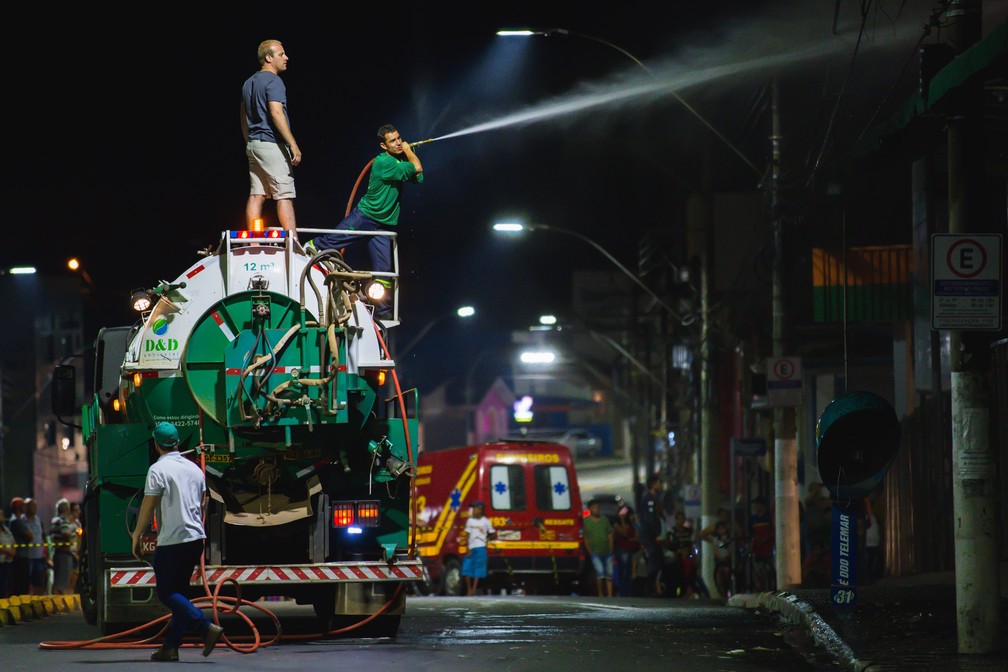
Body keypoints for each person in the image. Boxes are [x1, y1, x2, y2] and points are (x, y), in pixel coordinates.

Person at [131, 422, 224, 661]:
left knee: (166, 593)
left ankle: (205, 627)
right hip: (195, 539)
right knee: (180, 593)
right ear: (177, 442)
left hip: (173, 540)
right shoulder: (194, 469)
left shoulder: (158, 470)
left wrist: (137, 534)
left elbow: (148, 504)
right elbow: (203, 504)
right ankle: (170, 647)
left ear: (155, 444)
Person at [305, 124, 424, 303]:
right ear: (384, 146)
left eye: (399, 138)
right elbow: (417, 168)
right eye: (393, 141)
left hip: (384, 224)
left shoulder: (397, 162)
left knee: (384, 275)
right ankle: (305, 256)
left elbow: (418, 178)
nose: (399, 143)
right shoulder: (385, 162)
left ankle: (381, 313)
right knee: (328, 243)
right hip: (366, 216)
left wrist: (406, 155)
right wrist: (408, 152)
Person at [241, 39, 301, 238]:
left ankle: (253, 242)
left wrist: (248, 141)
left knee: (257, 194)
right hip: (271, 144)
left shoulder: (248, 82)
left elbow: (243, 116)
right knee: (284, 194)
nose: (286, 58)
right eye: (281, 54)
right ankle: (294, 244)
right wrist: (293, 144)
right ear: (269, 57)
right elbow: (276, 113)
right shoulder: (274, 81)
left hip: (254, 144)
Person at [459, 500, 496, 596]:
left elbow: (492, 533)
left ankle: (474, 589)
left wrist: (488, 538)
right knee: (466, 569)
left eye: (475, 508)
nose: (473, 510)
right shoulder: (470, 521)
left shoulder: (486, 521)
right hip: (471, 548)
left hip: (481, 547)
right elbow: (467, 534)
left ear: (480, 510)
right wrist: (467, 548)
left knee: (478, 570)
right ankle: (469, 588)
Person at [637, 474, 665, 597]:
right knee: (654, 561)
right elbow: (649, 520)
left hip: (652, 536)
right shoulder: (649, 499)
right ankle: (648, 589)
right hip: (650, 536)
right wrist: (655, 535)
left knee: (658, 560)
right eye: (659, 482)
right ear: (653, 484)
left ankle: (652, 587)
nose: (661, 485)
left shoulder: (654, 498)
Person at [583, 498, 615, 597]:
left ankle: (610, 595)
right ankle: (600, 593)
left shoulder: (604, 520)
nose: (597, 509)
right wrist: (590, 551)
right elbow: (585, 538)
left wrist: (611, 548)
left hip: (607, 551)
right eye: (594, 507)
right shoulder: (586, 522)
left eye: (598, 507)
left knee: (609, 574)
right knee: (600, 573)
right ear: (590, 509)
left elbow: (610, 534)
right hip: (595, 552)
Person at [19, 498, 49, 595]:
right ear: (26, 507)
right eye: (32, 506)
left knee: (39, 582)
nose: (35, 508)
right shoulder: (22, 520)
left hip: (38, 557)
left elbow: (43, 536)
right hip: (27, 557)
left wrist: (46, 553)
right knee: (25, 583)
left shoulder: (38, 520)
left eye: (35, 506)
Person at [50, 498, 77, 595]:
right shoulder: (63, 520)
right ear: (67, 509)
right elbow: (66, 533)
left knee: (57, 581)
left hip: (58, 553)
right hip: (64, 554)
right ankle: (59, 605)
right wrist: (70, 540)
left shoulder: (55, 519)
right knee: (62, 582)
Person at [612, 505, 640, 597]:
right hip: (622, 550)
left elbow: (637, 537)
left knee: (628, 572)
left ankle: (628, 592)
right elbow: (624, 533)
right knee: (623, 572)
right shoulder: (617, 525)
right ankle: (622, 592)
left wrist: (630, 538)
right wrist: (622, 520)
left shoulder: (632, 525)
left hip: (631, 550)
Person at [7, 497, 30, 595]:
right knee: (20, 584)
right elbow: (30, 535)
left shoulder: (20, 520)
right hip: (20, 556)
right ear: (18, 507)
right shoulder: (16, 521)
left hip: (22, 555)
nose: (25, 508)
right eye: (23, 506)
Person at [0, 505, 16, 598]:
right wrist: (7, 551)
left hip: (7, 562)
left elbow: (13, 542)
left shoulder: (5, 529)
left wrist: (12, 552)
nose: (2, 517)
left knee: (5, 587)